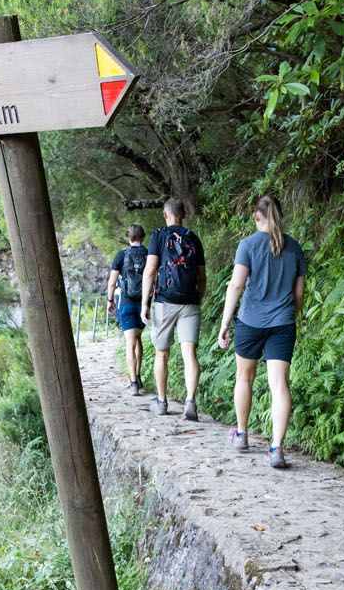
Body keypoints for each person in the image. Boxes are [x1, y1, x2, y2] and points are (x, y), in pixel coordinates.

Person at [218, 194, 307, 469]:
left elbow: (235, 286)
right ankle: (276, 449)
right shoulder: (294, 248)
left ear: (257, 217)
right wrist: (290, 315)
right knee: (279, 385)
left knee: (244, 377)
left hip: (250, 322)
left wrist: (224, 323)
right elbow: (300, 293)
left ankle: (242, 435)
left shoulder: (248, 245)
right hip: (282, 324)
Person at [140, 197, 207, 420]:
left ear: (165, 214)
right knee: (189, 354)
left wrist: (145, 303)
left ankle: (161, 401)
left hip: (165, 302)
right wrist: (198, 298)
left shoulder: (159, 236)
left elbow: (150, 271)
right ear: (183, 215)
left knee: (162, 353)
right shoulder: (194, 238)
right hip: (190, 303)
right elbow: (202, 277)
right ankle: (190, 402)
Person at [107, 225, 148, 394]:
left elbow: (111, 282)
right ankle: (138, 376)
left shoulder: (121, 255)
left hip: (126, 302)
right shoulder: (149, 254)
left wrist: (110, 300)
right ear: (143, 237)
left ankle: (133, 384)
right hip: (143, 302)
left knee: (129, 343)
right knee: (138, 339)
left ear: (128, 237)